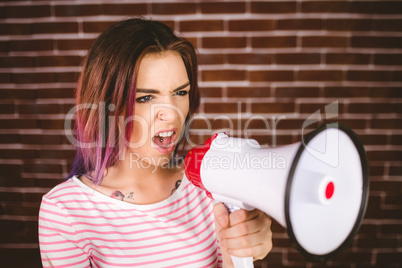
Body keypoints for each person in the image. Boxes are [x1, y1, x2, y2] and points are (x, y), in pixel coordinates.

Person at [38, 18, 272, 268]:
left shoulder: (212, 185)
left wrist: (241, 253)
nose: (171, 114)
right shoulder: (65, 212)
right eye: (146, 97)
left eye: (180, 93)